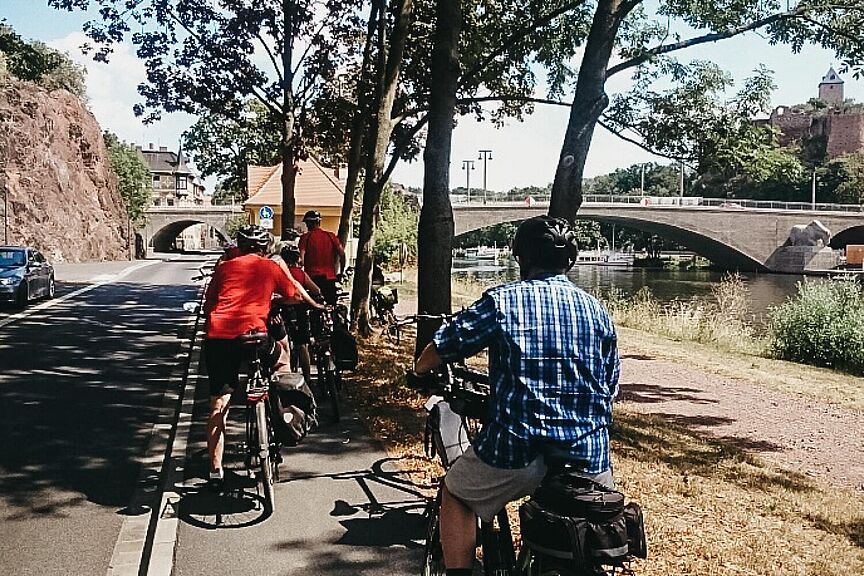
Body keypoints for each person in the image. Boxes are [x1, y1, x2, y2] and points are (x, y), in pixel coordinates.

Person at [413, 215, 621, 576]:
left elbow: (446, 344)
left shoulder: (503, 301)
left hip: (518, 450)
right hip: (588, 456)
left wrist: (419, 369)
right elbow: (610, 384)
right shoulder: (596, 310)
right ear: (570, 260)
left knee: (456, 492)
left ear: (520, 258)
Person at [202, 225, 301, 490]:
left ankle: (215, 470)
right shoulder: (270, 266)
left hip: (220, 338)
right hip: (255, 337)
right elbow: (292, 295)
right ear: (265, 248)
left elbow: (209, 304)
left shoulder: (224, 268)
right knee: (282, 360)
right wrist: (271, 300)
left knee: (219, 402)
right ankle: (283, 414)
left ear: (241, 246)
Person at [271, 243, 322, 386]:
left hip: (281, 310)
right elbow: (316, 290)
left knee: (283, 343)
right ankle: (308, 378)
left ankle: (285, 375)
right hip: (299, 310)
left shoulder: (278, 272)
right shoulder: (300, 273)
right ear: (297, 258)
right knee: (302, 345)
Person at [299, 210, 346, 305]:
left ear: (309, 223)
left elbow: (301, 260)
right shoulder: (331, 236)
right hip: (329, 278)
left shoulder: (305, 237)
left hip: (312, 279)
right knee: (331, 305)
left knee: (313, 306)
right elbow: (342, 254)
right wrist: (341, 272)